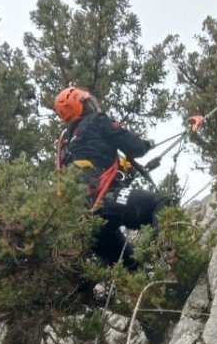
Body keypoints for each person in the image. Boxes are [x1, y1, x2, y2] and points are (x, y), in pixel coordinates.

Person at [54, 85, 168, 268]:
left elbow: (92, 170)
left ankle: (148, 282)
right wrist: (147, 144)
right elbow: (135, 147)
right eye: (87, 102)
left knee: (131, 267)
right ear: (81, 105)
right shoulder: (97, 121)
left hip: (87, 223)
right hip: (106, 201)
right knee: (162, 204)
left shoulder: (67, 146)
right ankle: (171, 258)